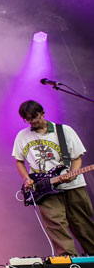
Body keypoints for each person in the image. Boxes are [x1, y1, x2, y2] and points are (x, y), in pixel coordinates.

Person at [13, 100, 94, 256]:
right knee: (55, 223)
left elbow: (77, 158)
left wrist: (73, 173)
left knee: (82, 223)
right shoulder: (22, 136)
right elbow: (19, 161)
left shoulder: (64, 131)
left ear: (42, 113)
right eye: (27, 119)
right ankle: (68, 259)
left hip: (73, 186)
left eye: (34, 117)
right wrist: (26, 178)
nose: (32, 121)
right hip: (43, 187)